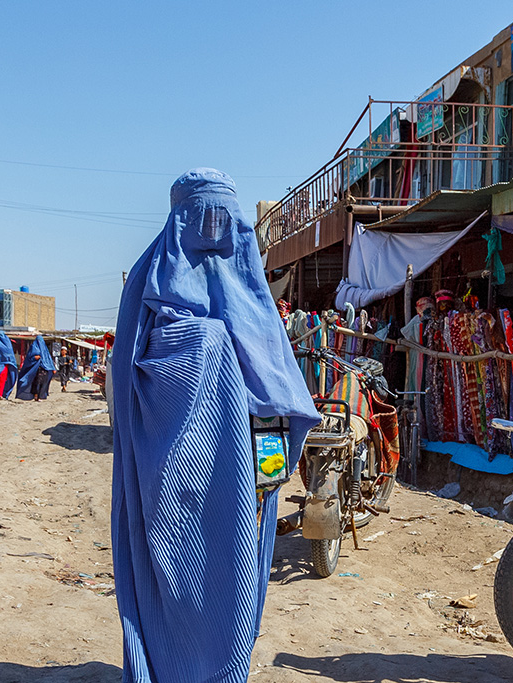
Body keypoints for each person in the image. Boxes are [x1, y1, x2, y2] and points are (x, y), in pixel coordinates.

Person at [112, 169, 318, 683]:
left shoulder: (254, 295)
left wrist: (270, 474)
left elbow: (279, 391)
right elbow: (125, 385)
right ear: (176, 215)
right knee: (167, 580)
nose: (211, 229)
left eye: (222, 216)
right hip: (169, 476)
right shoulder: (146, 284)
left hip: (248, 468)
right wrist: (206, 350)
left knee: (237, 582)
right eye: (199, 213)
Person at [16, 335, 54, 401]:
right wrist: (34, 358)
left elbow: (48, 359)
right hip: (35, 368)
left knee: (43, 382)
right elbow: (29, 357)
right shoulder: (33, 347)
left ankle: (40, 396)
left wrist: (52, 367)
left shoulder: (45, 349)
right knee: (36, 382)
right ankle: (36, 395)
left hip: (44, 368)